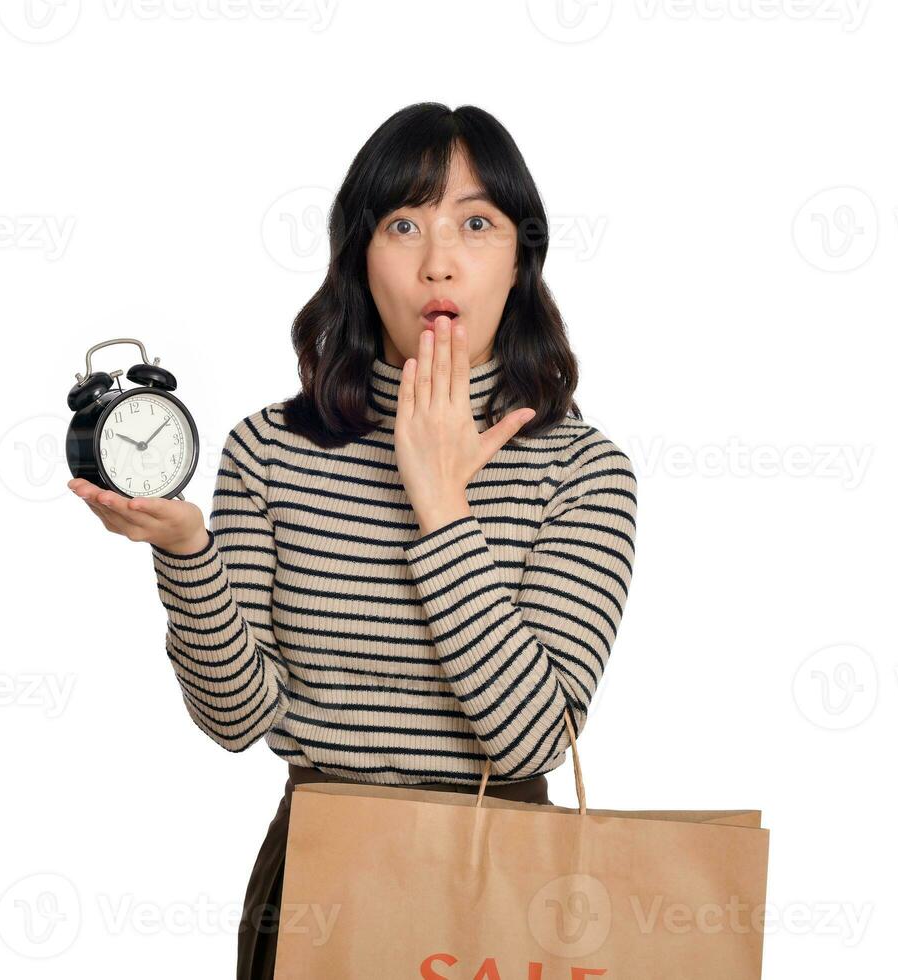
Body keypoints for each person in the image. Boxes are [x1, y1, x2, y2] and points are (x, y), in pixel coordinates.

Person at [68, 101, 637, 979]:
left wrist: (441, 501)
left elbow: (532, 738)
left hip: (505, 902)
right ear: (359, 259)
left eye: (476, 223)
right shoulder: (270, 449)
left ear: (521, 260)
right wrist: (185, 553)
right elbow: (235, 719)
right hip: (322, 886)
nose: (438, 261)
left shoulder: (584, 471)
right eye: (403, 223)